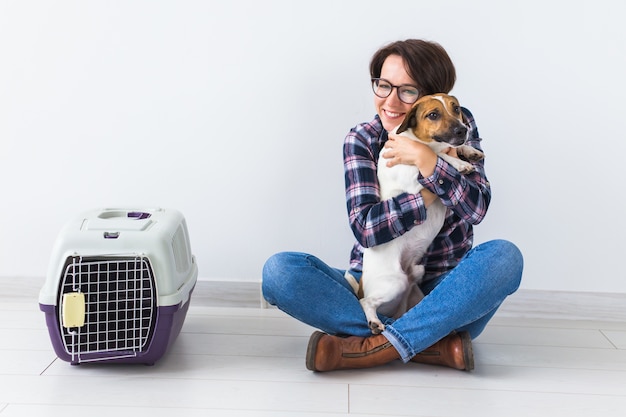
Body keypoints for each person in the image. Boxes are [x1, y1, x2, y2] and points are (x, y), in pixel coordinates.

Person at [262, 39, 523, 372]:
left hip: (445, 291)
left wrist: (428, 160)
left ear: (431, 96)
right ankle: (433, 345)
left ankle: (367, 346)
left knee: (505, 257)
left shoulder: (456, 124)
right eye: (383, 85)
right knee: (279, 272)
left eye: (407, 90)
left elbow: (477, 208)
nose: (390, 101)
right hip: (375, 277)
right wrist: (430, 185)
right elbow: (367, 229)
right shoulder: (363, 138)